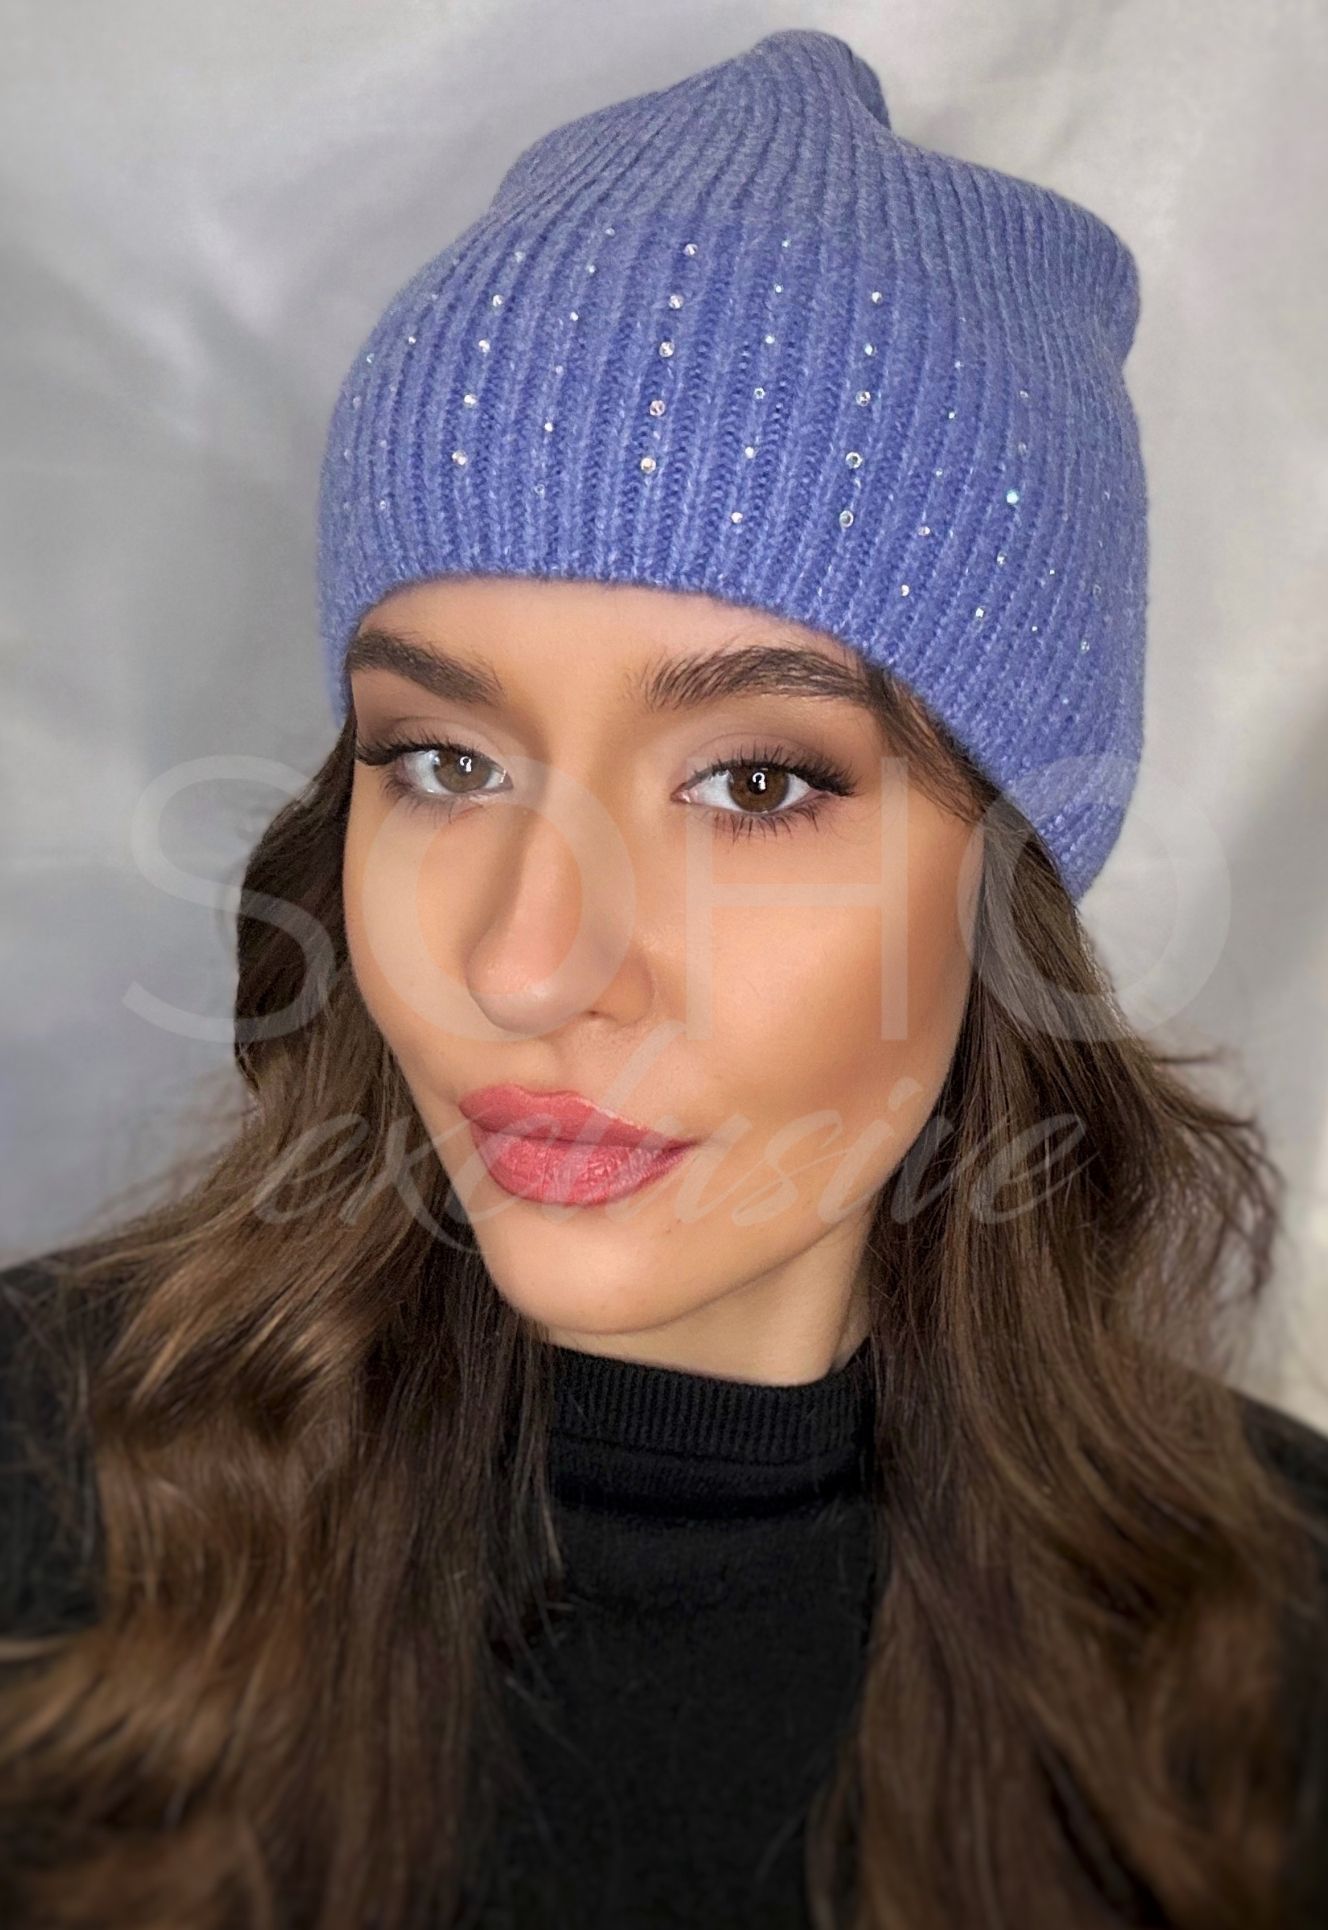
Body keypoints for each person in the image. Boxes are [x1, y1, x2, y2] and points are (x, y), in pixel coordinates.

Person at [1, 27, 1325, 1930]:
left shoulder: (1273, 1651)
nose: (528, 963)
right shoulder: (42, 1498)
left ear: (1009, 879)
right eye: (442, 760)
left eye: (755, 785)